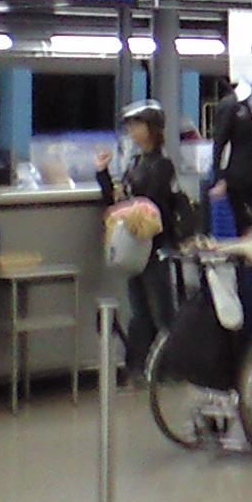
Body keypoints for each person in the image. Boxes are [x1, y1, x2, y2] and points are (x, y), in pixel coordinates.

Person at [95, 100, 179, 380]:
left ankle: (166, 367)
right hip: (136, 248)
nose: (131, 131)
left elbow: (148, 204)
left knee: (160, 311)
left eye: (137, 125)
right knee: (140, 310)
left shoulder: (161, 166)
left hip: (153, 248)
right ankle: (139, 366)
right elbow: (120, 199)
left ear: (152, 129)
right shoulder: (136, 163)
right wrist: (103, 175)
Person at [210, 81, 252, 236]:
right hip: (240, 176)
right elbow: (220, 143)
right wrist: (220, 177)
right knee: (244, 224)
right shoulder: (232, 105)